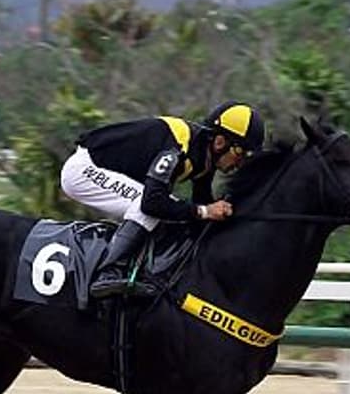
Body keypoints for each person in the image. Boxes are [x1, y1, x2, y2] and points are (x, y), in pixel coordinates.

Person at [60, 101, 265, 298]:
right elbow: (154, 203)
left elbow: (200, 209)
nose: (241, 161)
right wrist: (205, 211)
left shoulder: (206, 158)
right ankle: (107, 274)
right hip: (84, 170)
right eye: (240, 152)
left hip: (106, 171)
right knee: (147, 206)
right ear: (221, 142)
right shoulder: (179, 146)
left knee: (171, 208)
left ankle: (145, 272)